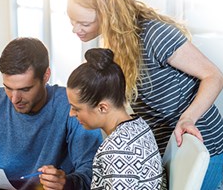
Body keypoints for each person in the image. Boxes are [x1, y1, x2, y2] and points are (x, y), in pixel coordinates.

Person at [65, 0, 223, 189]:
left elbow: (214, 76)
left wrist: (188, 118)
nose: (76, 29)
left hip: (203, 144)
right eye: (72, 20)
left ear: (108, 14)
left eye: (83, 23)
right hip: (167, 148)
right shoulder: (117, 44)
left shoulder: (154, 35)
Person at [0, 37, 103, 189]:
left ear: (46, 76)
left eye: (25, 89)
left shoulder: (71, 106)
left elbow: (92, 168)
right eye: (8, 88)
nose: (15, 98)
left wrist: (68, 182)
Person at [67, 48, 166, 189]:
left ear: (102, 108)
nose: (71, 113)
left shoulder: (116, 153)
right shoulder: (139, 125)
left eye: (76, 108)